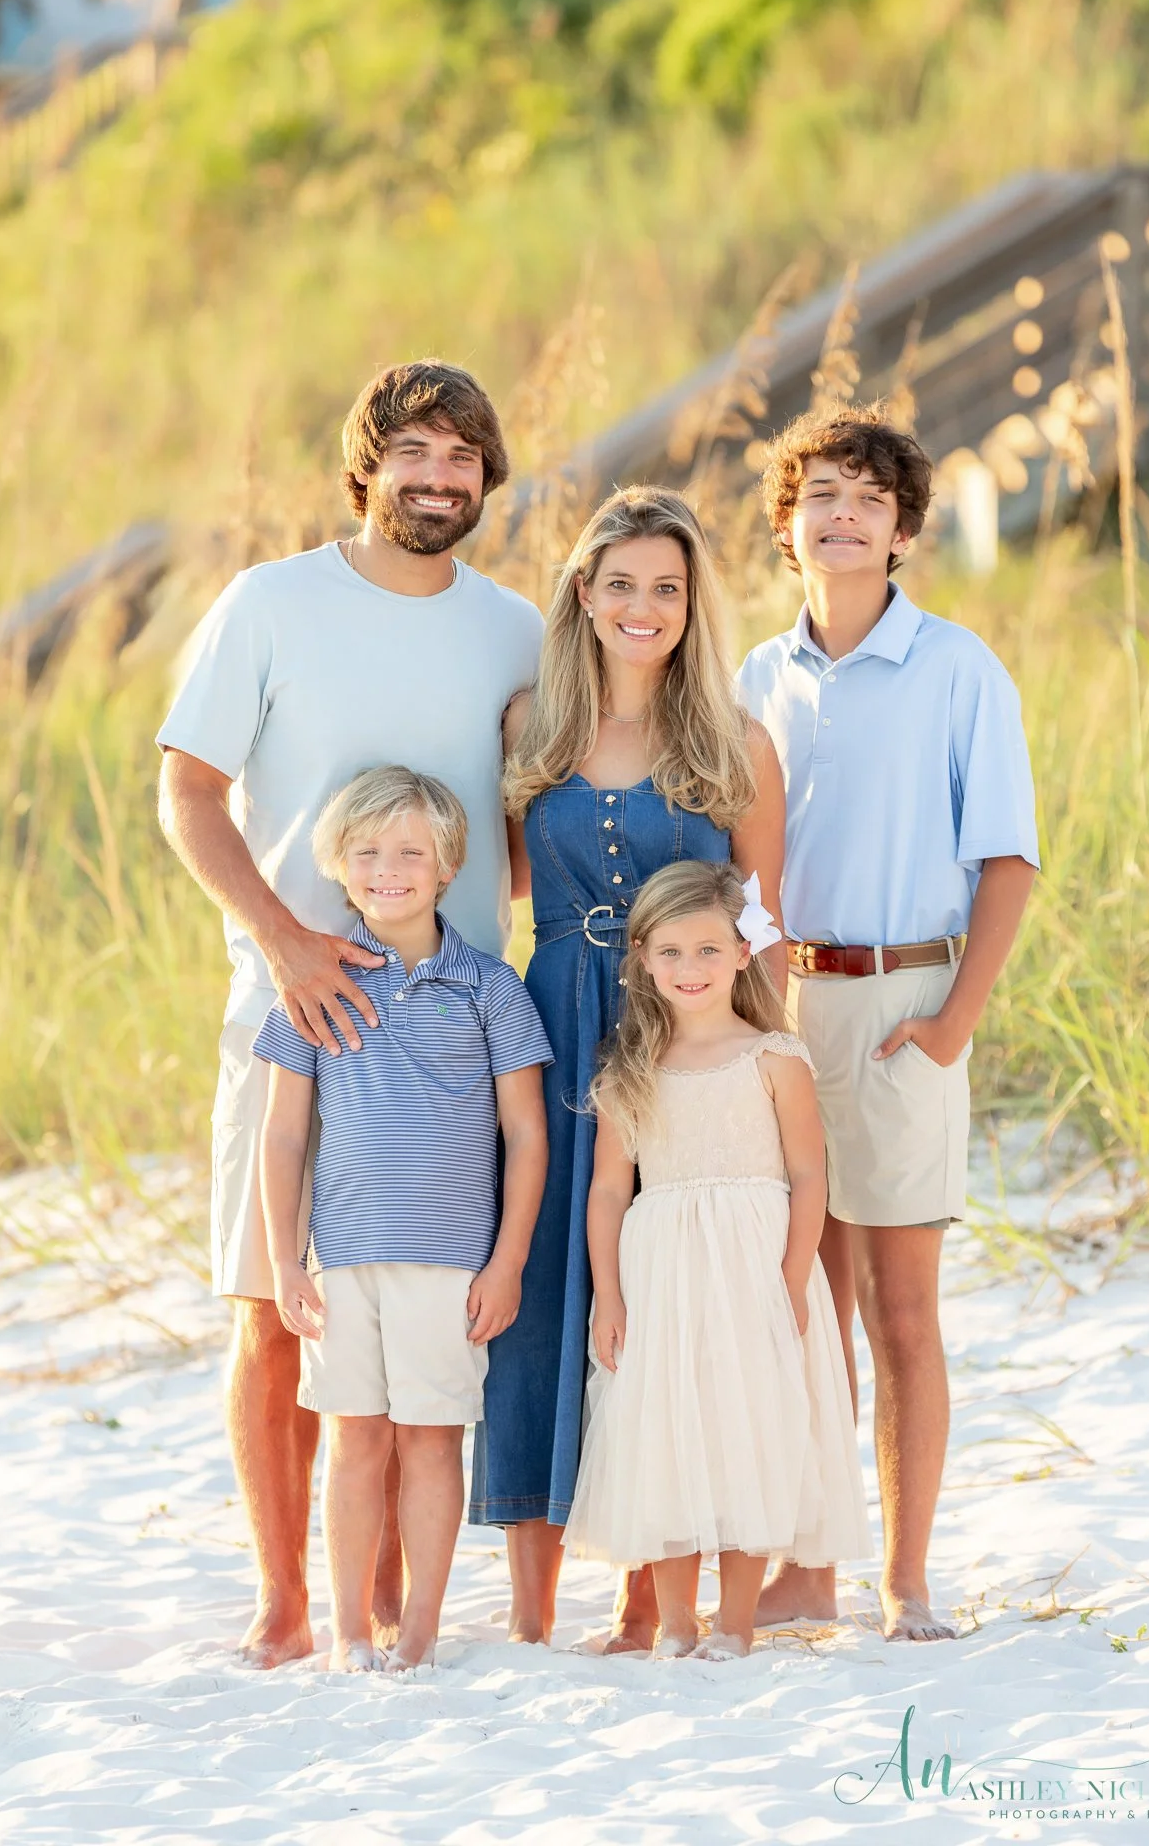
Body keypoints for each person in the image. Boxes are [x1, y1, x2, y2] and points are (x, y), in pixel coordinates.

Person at [156, 361, 542, 1667]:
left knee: (410, 1309)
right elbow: (190, 793)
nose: (437, 482)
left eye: (462, 461)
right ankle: (283, 1603)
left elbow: (522, 820)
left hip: (449, 1037)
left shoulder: (516, 630)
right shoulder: (268, 605)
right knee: (278, 1307)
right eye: (413, 457)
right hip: (297, 1015)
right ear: (364, 467)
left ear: (487, 478)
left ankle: (378, 1603)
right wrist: (282, 942)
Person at [736, 402, 1039, 1642]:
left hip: (909, 1002)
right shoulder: (758, 673)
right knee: (809, 1303)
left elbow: (1006, 861)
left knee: (901, 1309)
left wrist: (954, 1021)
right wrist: (755, 1011)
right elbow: (746, 864)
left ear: (903, 526)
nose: (844, 513)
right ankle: (812, 1567)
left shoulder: (957, 667)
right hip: (787, 1003)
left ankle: (905, 1576)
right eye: (821, 494)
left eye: (868, 495)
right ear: (788, 525)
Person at [472, 487, 788, 1651]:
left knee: (663, 1300)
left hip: (685, 1040)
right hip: (552, 1024)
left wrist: (757, 1084)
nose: (641, 606)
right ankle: (528, 1607)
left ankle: (647, 1597)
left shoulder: (733, 742)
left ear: (691, 599)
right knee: (546, 1289)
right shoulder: (528, 728)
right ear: (582, 594)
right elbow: (483, 882)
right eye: (619, 584)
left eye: (665, 585)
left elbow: (765, 929)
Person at [257, 766, 551, 1670]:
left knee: (429, 1444)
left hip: (452, 1266)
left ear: (449, 864)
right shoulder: (312, 986)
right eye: (369, 853)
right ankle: (349, 1630)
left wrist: (505, 1266)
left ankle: (419, 1628)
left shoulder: (490, 988)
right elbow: (282, 1136)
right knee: (353, 1441)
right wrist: (284, 1261)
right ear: (340, 869)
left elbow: (528, 1138)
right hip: (342, 1260)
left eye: (412, 852)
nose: (391, 870)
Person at [563, 860, 868, 1657]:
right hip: (661, 1269)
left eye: (707, 950)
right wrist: (610, 1296)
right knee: (666, 1430)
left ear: (742, 953)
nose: (689, 969)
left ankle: (733, 1625)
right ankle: (674, 1625)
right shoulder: (630, 1070)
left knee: (749, 1429)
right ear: (641, 961)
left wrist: (794, 1279)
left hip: (753, 1265)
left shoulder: (775, 1057)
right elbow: (605, 1194)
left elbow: (809, 1176)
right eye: (670, 953)